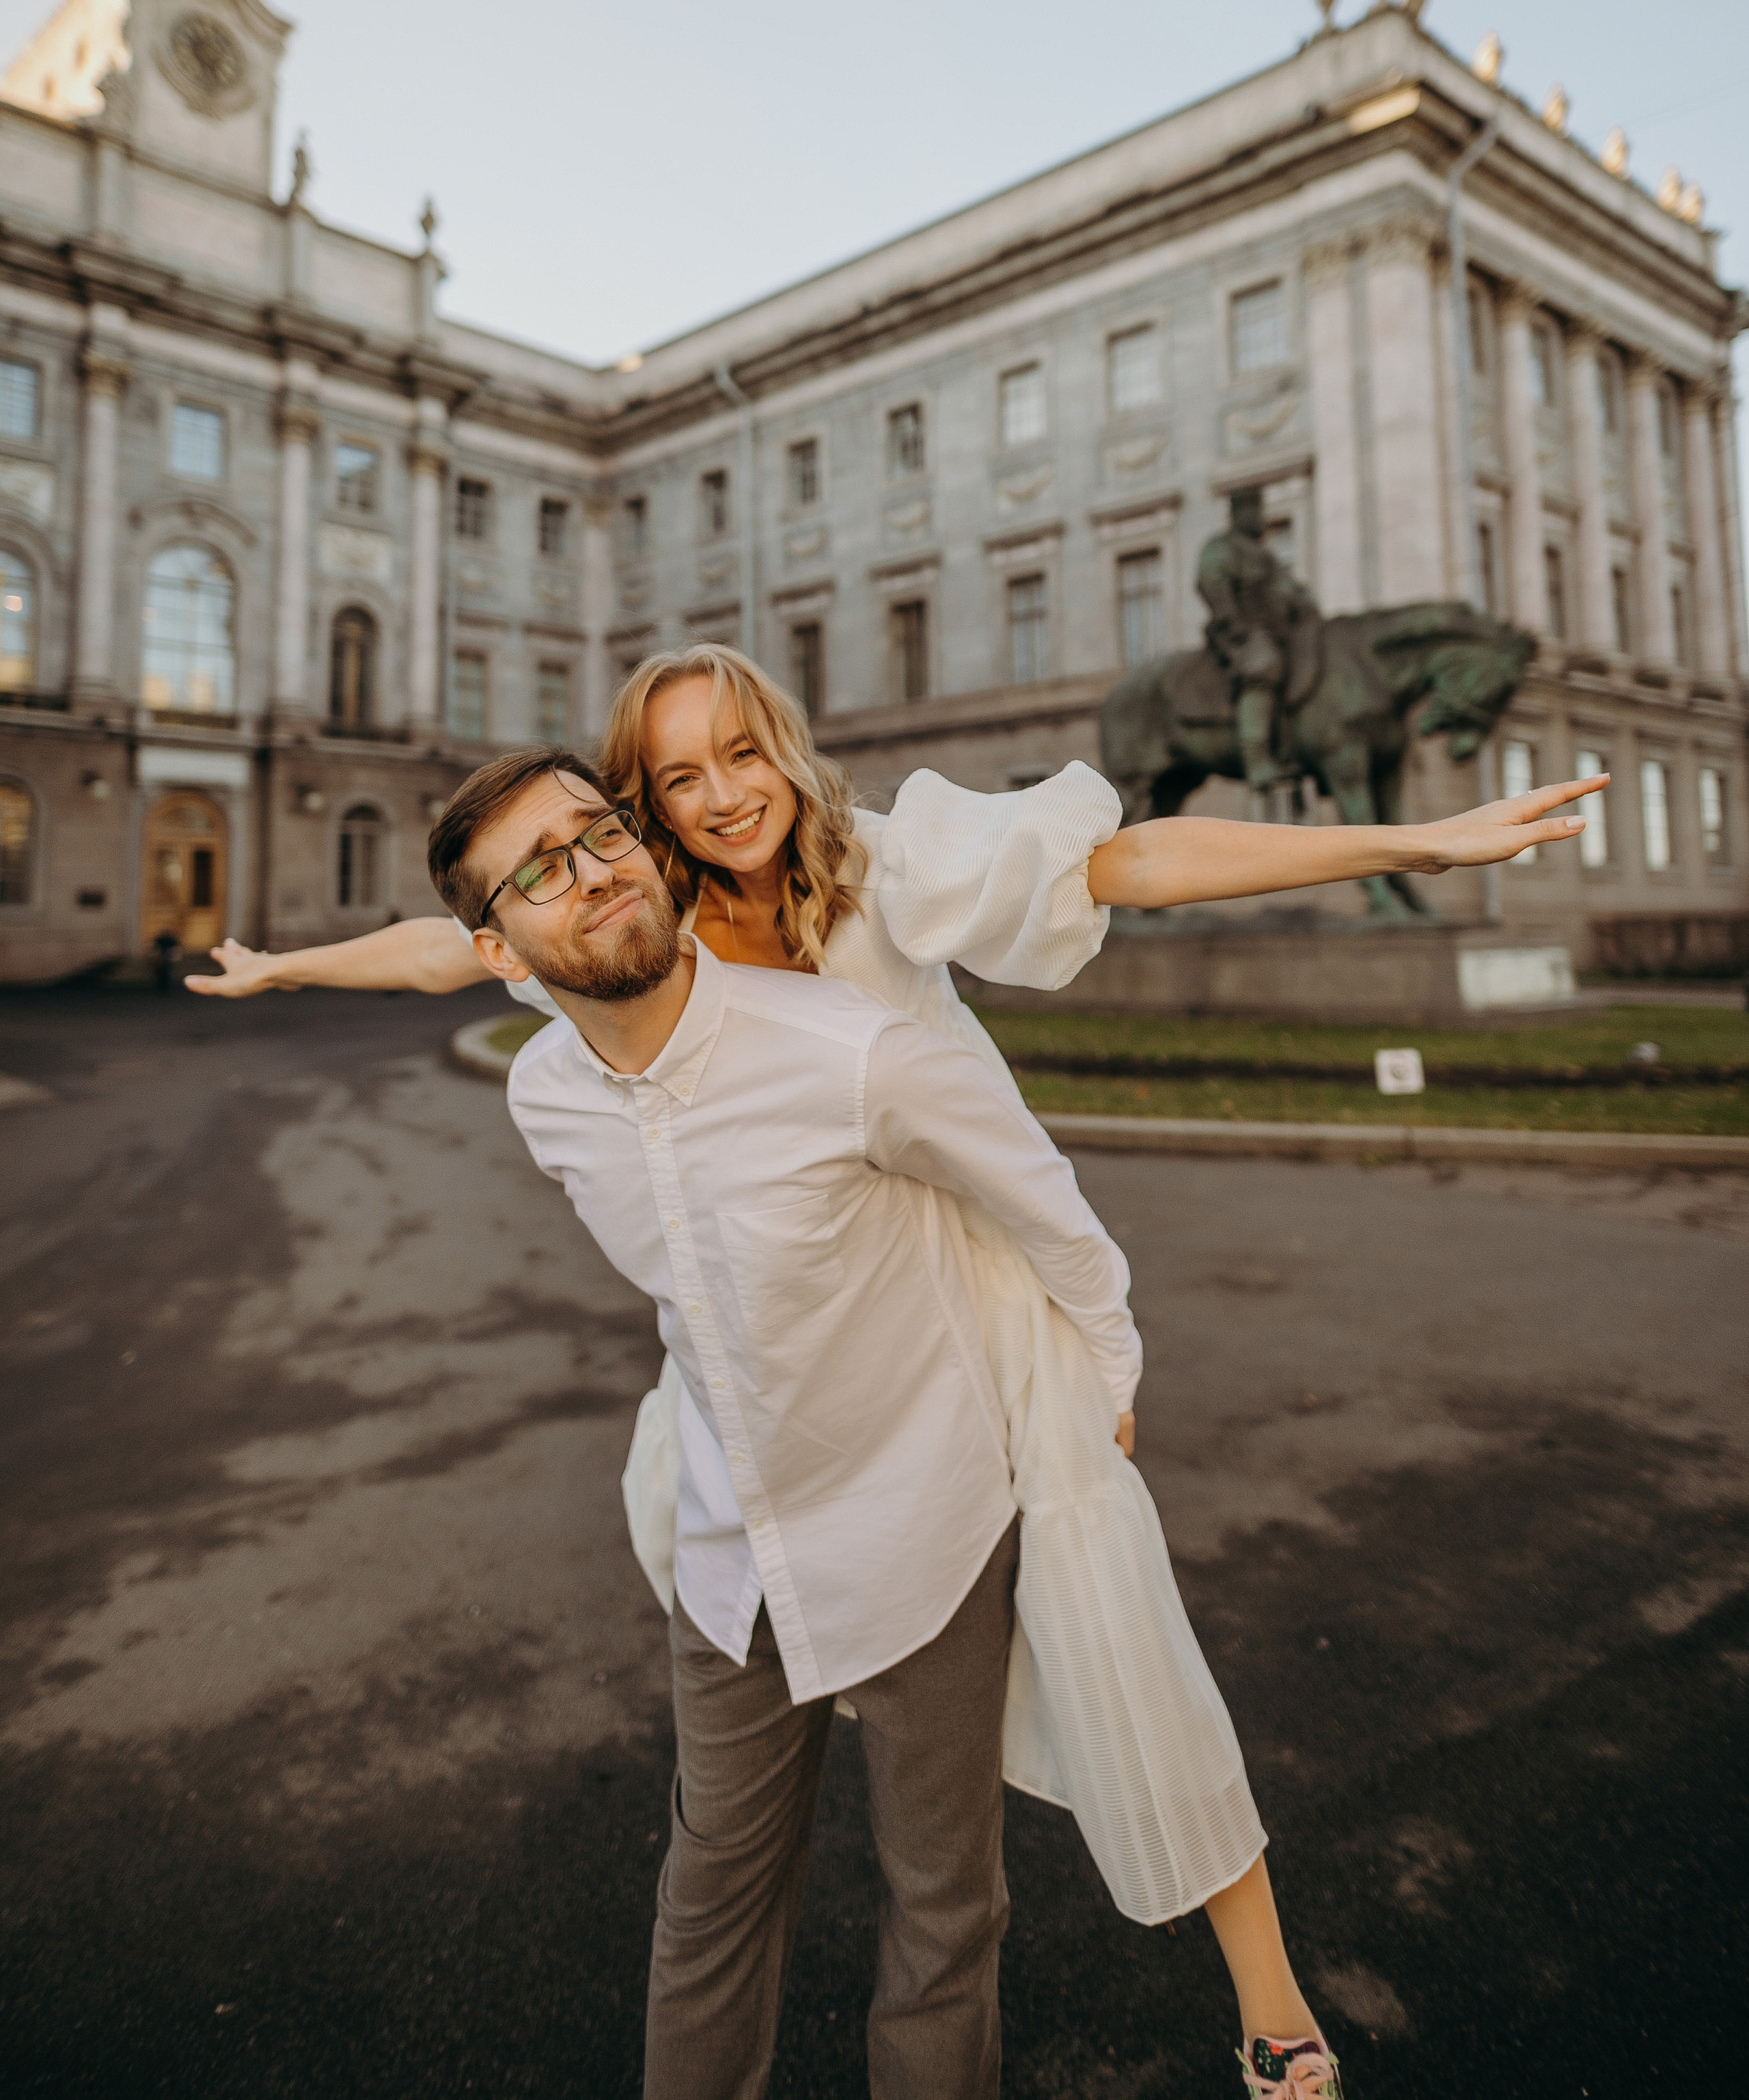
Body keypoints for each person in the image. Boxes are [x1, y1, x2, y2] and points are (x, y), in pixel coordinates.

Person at [191, 647, 1603, 2095]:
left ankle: (1268, 1995)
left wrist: (1418, 838)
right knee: (740, 1800)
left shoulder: (876, 863)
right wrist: (286, 963)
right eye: (679, 776)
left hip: (972, 1284)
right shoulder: (636, 909)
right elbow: (452, 940)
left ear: (784, 745)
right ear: (642, 805)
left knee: (1110, 1629)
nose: (724, 795)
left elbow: (1130, 863)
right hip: (797, 1322)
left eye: (743, 752)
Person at [1196, 486, 1323, 793]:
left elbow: (1287, 586)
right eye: (1254, 512)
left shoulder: (1264, 554)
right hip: (1240, 634)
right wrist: (1233, 620)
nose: (1261, 518)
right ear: (1238, 515)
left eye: (1261, 512)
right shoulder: (1222, 548)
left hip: (1275, 632)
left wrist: (1304, 603)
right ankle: (1258, 761)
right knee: (1263, 666)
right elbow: (1211, 582)